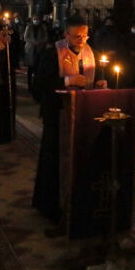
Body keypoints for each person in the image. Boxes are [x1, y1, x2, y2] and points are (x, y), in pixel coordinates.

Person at [31, 14, 106, 224]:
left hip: (84, 114)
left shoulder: (92, 53)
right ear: (66, 34)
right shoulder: (52, 53)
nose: (81, 40)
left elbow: (97, 75)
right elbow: (39, 84)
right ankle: (51, 205)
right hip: (58, 115)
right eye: (76, 36)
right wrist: (67, 80)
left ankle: (79, 202)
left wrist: (100, 82)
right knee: (53, 158)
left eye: (84, 36)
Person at [23, 15, 48, 91]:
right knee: (30, 68)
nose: (36, 21)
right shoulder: (29, 27)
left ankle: (36, 85)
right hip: (30, 49)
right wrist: (32, 42)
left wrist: (40, 42)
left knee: (37, 68)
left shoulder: (42, 28)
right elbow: (25, 37)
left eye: (37, 19)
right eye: (34, 19)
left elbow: (46, 37)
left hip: (39, 49)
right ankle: (29, 85)